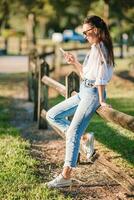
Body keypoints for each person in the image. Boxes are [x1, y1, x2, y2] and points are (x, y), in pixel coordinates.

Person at [45, 15, 114, 188]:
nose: (84, 36)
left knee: (71, 133)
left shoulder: (101, 49)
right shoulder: (94, 48)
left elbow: (101, 78)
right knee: (52, 115)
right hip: (84, 90)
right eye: (83, 33)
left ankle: (66, 176)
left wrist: (101, 100)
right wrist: (74, 62)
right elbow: (86, 75)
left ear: (96, 30)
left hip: (92, 95)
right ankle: (84, 138)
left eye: (86, 32)